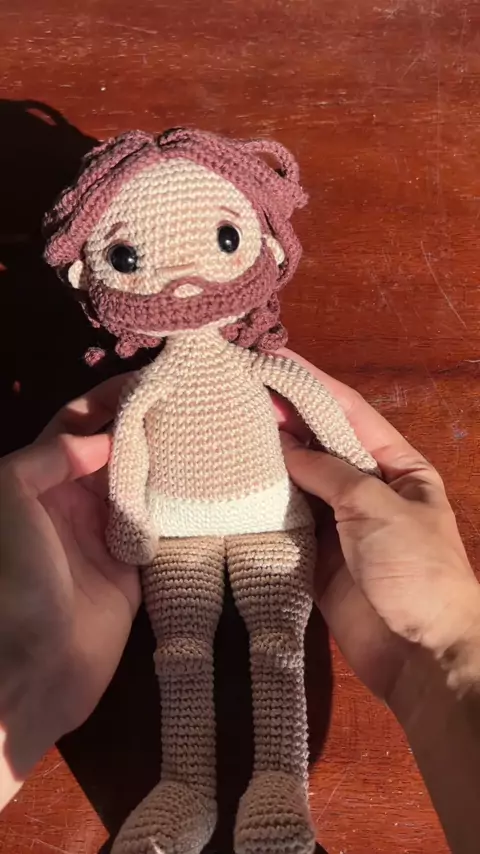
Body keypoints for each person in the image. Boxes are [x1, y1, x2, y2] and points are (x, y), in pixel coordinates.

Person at [0, 350, 479, 854]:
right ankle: (185, 786)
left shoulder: (170, 379)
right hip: (187, 536)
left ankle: (276, 780)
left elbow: (317, 407)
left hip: (262, 526)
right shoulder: (155, 383)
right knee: (190, 649)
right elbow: (128, 452)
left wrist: (355, 469)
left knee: (264, 645)